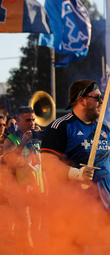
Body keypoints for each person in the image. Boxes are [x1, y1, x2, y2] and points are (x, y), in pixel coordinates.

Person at [41, 80, 110, 255]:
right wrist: (76, 173)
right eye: (97, 97)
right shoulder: (61, 127)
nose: (102, 101)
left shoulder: (105, 130)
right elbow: (47, 162)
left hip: (103, 210)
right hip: (69, 212)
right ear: (81, 100)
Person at [3, 106, 46, 255]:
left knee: (36, 229)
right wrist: (22, 144)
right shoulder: (11, 139)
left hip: (36, 190)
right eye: (28, 120)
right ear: (19, 120)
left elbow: (42, 164)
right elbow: (9, 163)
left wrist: (45, 187)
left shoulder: (37, 137)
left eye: (33, 119)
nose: (31, 123)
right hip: (18, 192)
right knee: (25, 227)